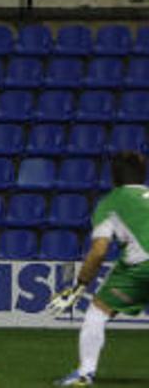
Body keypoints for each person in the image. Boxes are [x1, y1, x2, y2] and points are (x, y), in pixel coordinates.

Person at [50, 151, 149, 386]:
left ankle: (85, 373)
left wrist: (80, 285)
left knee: (98, 312)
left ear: (114, 178)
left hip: (140, 266)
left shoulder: (111, 203)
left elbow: (99, 251)